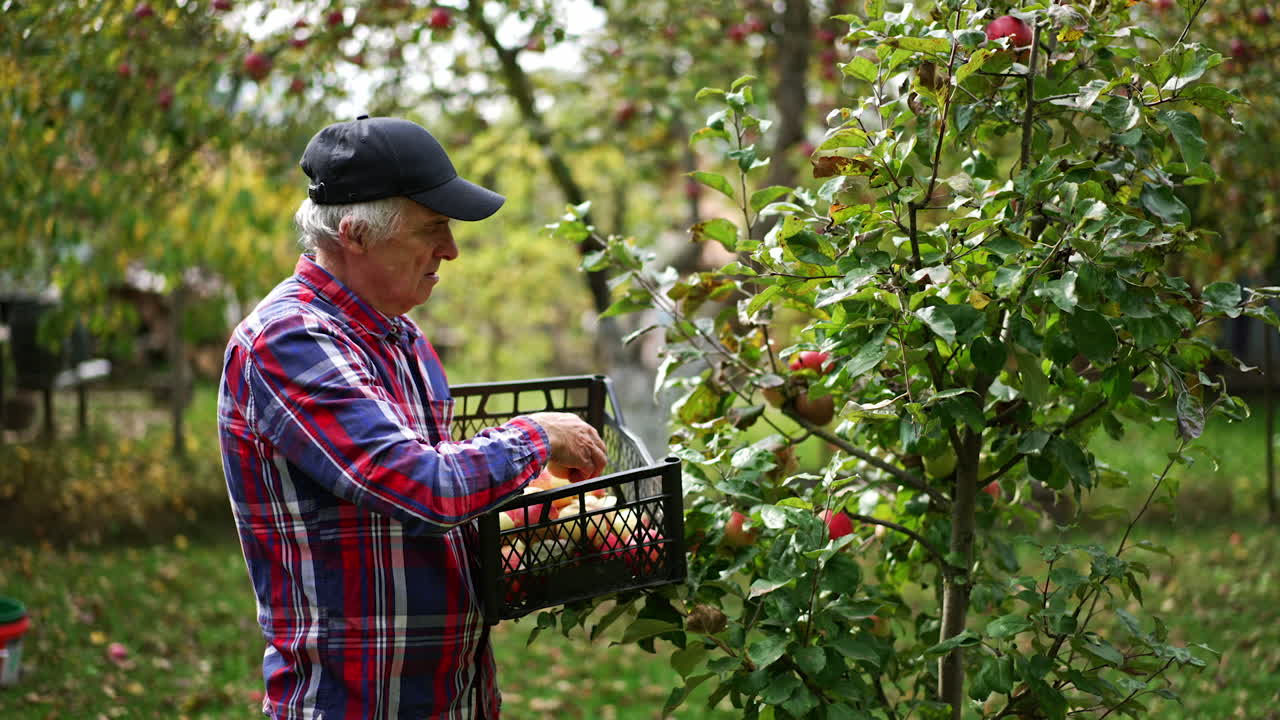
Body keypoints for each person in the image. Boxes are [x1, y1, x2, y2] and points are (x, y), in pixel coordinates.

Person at [217, 115, 609, 720]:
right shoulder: (287, 341)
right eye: (432, 229)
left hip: (450, 696)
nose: (449, 250)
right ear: (355, 234)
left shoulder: (398, 335)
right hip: (357, 702)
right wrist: (538, 434)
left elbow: (435, 505)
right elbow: (421, 485)